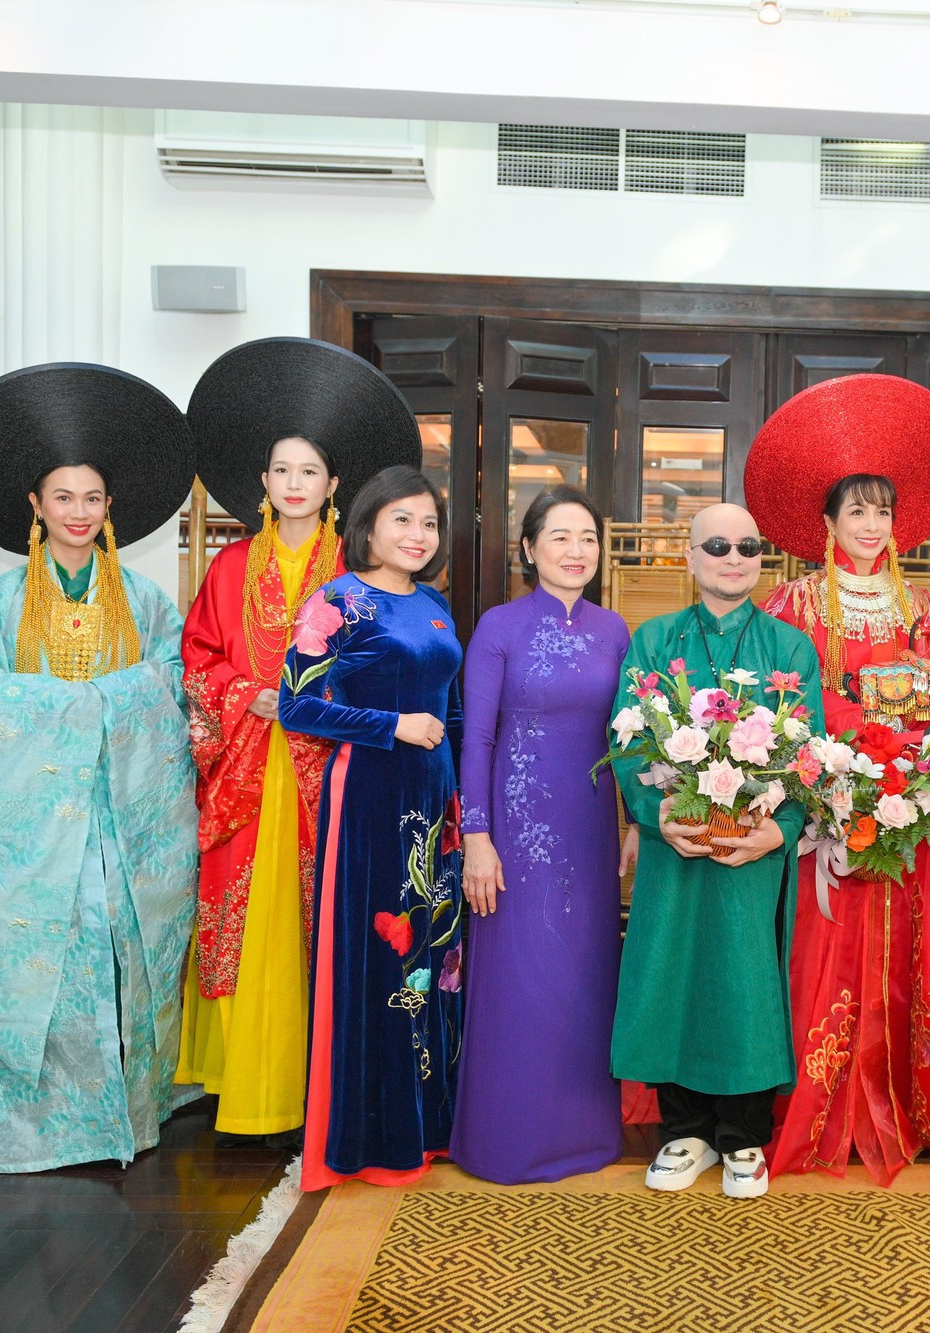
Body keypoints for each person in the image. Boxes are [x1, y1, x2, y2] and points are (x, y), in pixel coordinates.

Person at [745, 374, 930, 1190]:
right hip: (825, 809)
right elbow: (784, 705)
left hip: (905, 810)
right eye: (857, 511)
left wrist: (922, 759)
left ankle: (909, 1104)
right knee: (822, 949)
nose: (871, 526)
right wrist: (843, 769)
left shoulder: (925, 610)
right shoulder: (794, 604)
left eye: (882, 511)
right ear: (829, 521)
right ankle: (822, 1106)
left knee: (908, 956)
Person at [0, 363, 201, 1173]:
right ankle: (38, 1124)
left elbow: (177, 688)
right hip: (32, 836)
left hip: (124, 825)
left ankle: (133, 1110)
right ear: (35, 504)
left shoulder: (145, 602)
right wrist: (71, 709)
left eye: (93, 497)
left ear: (110, 507)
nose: (79, 511)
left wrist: (110, 701)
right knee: (42, 967)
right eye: (63, 497)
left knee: (122, 959)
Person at [177, 337, 421, 1145]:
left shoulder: (356, 572)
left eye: (308, 471)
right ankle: (246, 1079)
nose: (293, 483)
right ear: (262, 481)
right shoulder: (230, 566)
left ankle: (321, 1082)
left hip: (333, 763)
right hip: (249, 760)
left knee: (326, 912)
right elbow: (198, 656)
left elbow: (385, 664)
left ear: (333, 485)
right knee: (247, 914)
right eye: (281, 470)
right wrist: (245, 694)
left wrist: (326, 703)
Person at [611, 503, 821, 1200]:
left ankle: (743, 1134)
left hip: (751, 849)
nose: (734, 558)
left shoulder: (789, 648)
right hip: (677, 843)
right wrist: (655, 816)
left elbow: (810, 749)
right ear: (692, 557)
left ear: (764, 559)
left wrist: (781, 829)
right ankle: (685, 1129)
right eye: (719, 545)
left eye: (749, 547)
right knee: (672, 971)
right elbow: (625, 737)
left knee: (743, 978)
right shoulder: (654, 639)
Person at [280, 465, 464, 1190]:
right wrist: (392, 724)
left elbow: (452, 712)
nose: (418, 535)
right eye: (402, 520)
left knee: (435, 954)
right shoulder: (337, 601)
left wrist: (464, 803)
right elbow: (296, 707)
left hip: (435, 800)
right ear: (368, 525)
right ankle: (373, 1136)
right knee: (380, 957)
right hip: (369, 796)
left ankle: (428, 1125)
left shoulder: (435, 604)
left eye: (428, 523)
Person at [451, 485, 632, 1183]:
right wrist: (476, 835)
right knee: (520, 978)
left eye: (587, 537)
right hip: (516, 833)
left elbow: (627, 739)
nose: (576, 550)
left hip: (590, 830)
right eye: (560, 536)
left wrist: (633, 823)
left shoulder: (614, 631)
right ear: (529, 548)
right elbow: (477, 737)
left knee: (585, 974)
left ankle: (583, 1133)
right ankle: (509, 1139)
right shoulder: (499, 626)